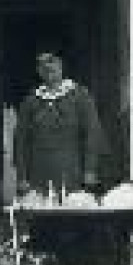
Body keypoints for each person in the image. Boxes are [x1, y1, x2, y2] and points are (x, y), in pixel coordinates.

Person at [14, 48, 107, 197]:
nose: (47, 67)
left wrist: (90, 170)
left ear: (62, 64)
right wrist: (22, 177)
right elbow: (20, 141)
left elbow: (92, 134)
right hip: (38, 180)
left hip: (73, 178)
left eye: (51, 60)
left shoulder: (80, 96)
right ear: (37, 70)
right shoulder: (30, 101)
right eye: (41, 63)